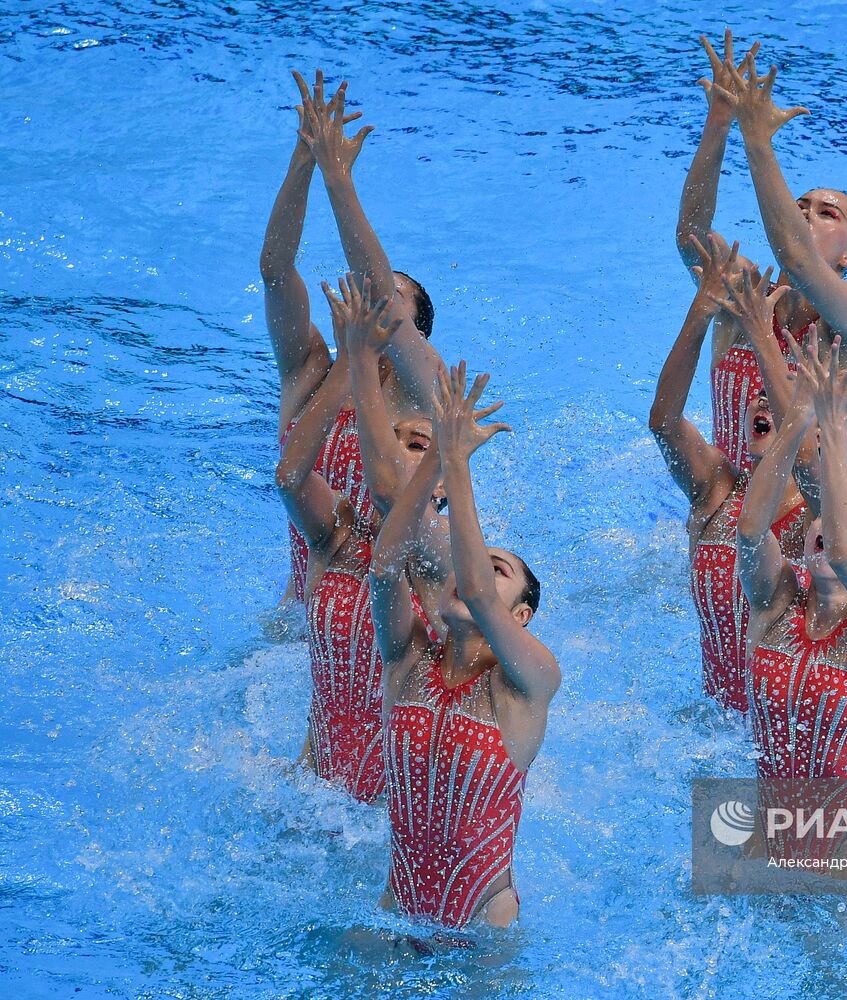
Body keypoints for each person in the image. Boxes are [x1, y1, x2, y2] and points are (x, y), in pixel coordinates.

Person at [369, 363, 558, 929]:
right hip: (394, 913)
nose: (471, 575)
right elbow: (384, 568)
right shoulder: (409, 660)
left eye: (496, 569)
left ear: (520, 616)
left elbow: (475, 590)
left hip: (482, 929)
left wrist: (456, 459)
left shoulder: (529, 682)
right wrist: (434, 463)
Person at [737, 336, 847, 868]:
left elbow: (844, 555)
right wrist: (796, 421)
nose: (835, 525)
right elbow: (750, 531)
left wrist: (833, 430)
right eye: (831, 515)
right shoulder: (776, 606)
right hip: (762, 843)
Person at [263, 69, 443, 602]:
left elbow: (379, 292)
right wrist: (303, 163)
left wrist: (340, 180)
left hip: (394, 626)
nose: (369, 296)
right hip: (305, 615)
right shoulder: (310, 373)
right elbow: (276, 270)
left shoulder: (423, 395)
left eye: (392, 296)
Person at [676, 31, 847, 471]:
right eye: (798, 208)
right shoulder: (744, 296)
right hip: (723, 513)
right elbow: (691, 234)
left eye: (828, 214)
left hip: (807, 531)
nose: (807, 216)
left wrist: (757, 139)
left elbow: (796, 257)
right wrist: (719, 123)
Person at [275, 276, 430, 801]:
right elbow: (290, 477)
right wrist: (352, 358)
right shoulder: (336, 544)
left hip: (395, 812)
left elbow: (390, 492)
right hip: (316, 792)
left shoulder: (437, 562)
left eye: (417, 445)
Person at [649, 233, 811, 712]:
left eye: (776, 397)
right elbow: (663, 422)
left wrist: (763, 338)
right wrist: (701, 312)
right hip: (711, 721)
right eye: (756, 397)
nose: (761, 398)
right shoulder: (718, 489)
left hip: (786, 731)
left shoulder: (821, 514)